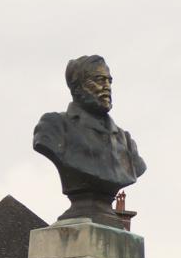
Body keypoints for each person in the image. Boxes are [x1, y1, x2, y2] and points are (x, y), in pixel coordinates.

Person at [33, 55, 146, 225]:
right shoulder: (55, 126)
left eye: (109, 81)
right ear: (77, 87)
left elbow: (138, 167)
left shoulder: (126, 141)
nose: (107, 86)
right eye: (99, 80)